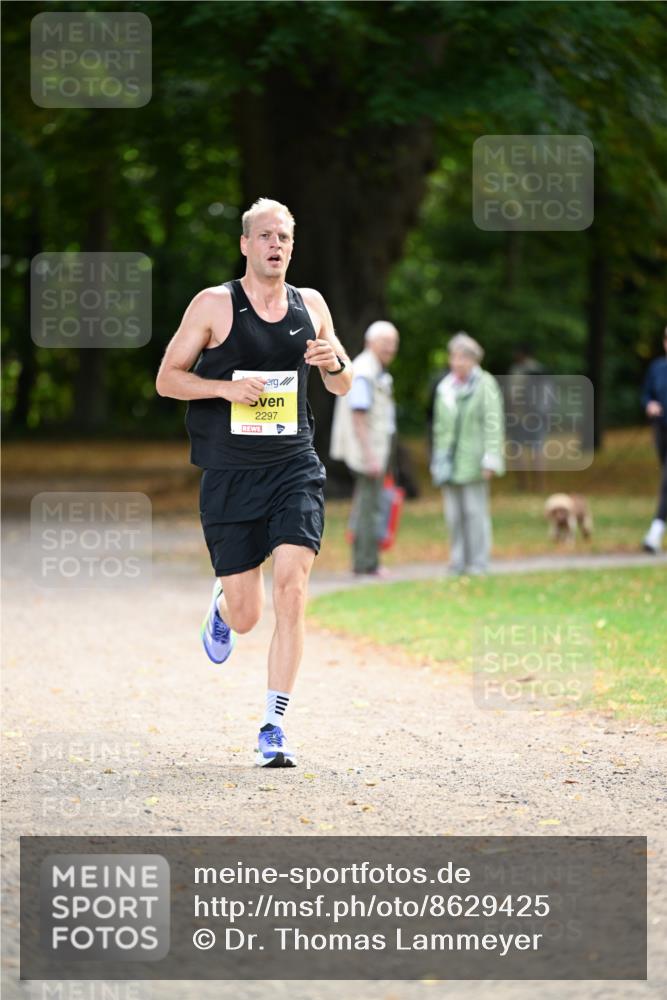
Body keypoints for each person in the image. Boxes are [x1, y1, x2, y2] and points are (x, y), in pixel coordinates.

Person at [156, 197, 352, 768]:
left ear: (292, 246)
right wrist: (224, 390)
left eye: (284, 237)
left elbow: (343, 384)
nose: (275, 245)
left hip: (294, 466)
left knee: (291, 588)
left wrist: (333, 365)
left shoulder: (310, 305)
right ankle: (224, 606)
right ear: (245, 244)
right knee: (249, 615)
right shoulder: (215, 305)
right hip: (230, 474)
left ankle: (274, 725)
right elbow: (168, 379)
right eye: (264, 235)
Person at [430, 332, 505, 575]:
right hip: (448, 461)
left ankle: (478, 563)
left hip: (475, 459)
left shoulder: (486, 384)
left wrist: (491, 458)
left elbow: (494, 423)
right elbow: (439, 428)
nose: (457, 362)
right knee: (453, 515)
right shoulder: (445, 388)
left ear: (474, 360)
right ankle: (458, 561)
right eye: (454, 357)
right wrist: (437, 458)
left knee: (475, 513)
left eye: (462, 358)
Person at [330, 321, 399, 575]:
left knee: (369, 505)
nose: (390, 349)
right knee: (370, 508)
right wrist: (371, 457)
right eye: (385, 343)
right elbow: (359, 416)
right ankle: (366, 565)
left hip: (374, 450)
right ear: (370, 343)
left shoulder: (374, 369)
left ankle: (367, 563)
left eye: (394, 344)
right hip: (368, 453)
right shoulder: (365, 371)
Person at [641, 326, 667, 554]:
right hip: (661, 428)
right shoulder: (657, 368)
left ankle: (654, 534)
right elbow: (646, 393)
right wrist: (650, 404)